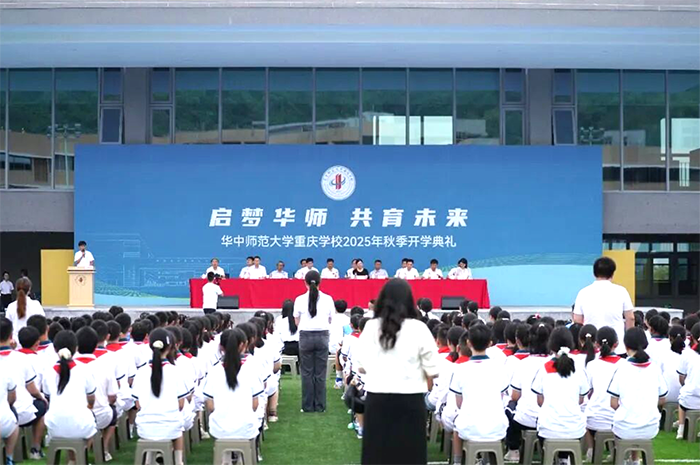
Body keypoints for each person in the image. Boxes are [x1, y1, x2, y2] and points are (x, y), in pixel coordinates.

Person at [354, 279, 440, 465]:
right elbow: (433, 368)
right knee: (410, 456)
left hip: (378, 400)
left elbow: (360, 366)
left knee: (377, 455)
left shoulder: (371, 327)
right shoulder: (419, 328)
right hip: (411, 401)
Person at [449, 324, 508, 465]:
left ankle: (457, 461)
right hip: (497, 426)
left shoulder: (460, 369)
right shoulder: (499, 368)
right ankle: (488, 459)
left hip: (469, 427)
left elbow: (459, 403)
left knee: (456, 427)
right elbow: (501, 397)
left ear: (468, 343)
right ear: (490, 343)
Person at [532, 327, 590, 465]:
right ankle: (564, 459)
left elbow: (540, 401)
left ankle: (552, 458)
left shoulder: (544, 368)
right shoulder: (578, 368)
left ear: (551, 345)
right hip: (575, 429)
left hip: (549, 428)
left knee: (541, 422)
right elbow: (581, 399)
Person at [131, 328, 188, 465]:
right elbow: (181, 405)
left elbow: (137, 404)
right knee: (179, 429)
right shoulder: (175, 371)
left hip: (144, 428)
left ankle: (149, 460)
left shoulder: (141, 372)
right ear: (170, 347)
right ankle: (178, 461)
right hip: (170, 427)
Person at [608, 327, 667, 444]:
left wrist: (629, 411)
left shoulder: (621, 369)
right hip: (650, 428)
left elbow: (613, 403)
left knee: (620, 431)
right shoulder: (655, 369)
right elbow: (662, 399)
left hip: (624, 428)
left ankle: (624, 455)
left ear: (626, 346)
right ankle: (636, 455)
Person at [203, 328, 262, 443]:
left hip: (219, 429)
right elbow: (255, 405)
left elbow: (210, 405)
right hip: (246, 429)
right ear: (243, 345)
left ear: (221, 347)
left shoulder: (214, 371)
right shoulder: (251, 369)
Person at [0, 317, 47, 459]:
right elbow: (32, 389)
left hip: (8, 410)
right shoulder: (22, 358)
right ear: (11, 336)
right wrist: (41, 397)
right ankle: (35, 448)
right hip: (19, 411)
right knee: (42, 405)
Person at [504, 323, 552, 461]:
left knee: (509, 407)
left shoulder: (523, 363)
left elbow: (515, 396)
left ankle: (513, 450)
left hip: (526, 419)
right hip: (551, 418)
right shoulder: (556, 363)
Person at [41, 330, 98, 445]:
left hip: (54, 426)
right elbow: (91, 398)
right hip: (81, 425)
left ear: (55, 349)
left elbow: (48, 397)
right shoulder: (84, 369)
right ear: (76, 348)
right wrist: (89, 406)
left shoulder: (48, 372)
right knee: (91, 421)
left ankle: (72, 455)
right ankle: (80, 454)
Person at [573, 257, 634, 354]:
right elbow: (630, 318)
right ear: (612, 273)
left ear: (594, 273)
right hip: (617, 348)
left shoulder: (583, 293)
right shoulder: (622, 291)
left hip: (591, 348)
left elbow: (577, 321)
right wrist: (629, 341)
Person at [293, 270, 334, 413]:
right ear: (320, 282)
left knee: (306, 372)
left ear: (304, 282)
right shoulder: (328, 299)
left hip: (306, 336)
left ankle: (307, 406)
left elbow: (296, 321)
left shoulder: (299, 299)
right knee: (320, 373)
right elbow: (331, 319)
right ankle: (320, 405)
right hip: (322, 335)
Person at [583, 326, 621, 461]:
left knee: (583, 412)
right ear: (616, 344)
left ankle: (591, 450)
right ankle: (618, 451)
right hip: (617, 418)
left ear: (596, 344)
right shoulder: (624, 365)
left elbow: (588, 392)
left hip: (593, 419)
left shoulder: (591, 365)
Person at [677, 322, 700, 440]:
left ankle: (681, 429)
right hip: (693, 397)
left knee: (682, 396)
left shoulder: (687, 353)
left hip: (689, 398)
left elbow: (681, 378)